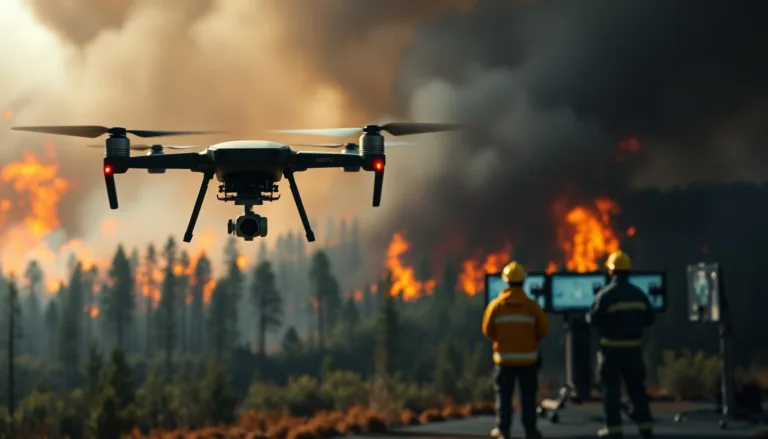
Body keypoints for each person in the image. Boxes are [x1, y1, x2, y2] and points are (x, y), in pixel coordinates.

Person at [589, 250, 655, 438]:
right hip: (633, 350)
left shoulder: (605, 295)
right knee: (637, 390)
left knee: (611, 391)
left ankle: (614, 430)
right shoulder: (639, 294)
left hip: (611, 352)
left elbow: (593, 319)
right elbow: (650, 319)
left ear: (611, 272)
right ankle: (645, 427)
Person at [482, 261, 550, 439]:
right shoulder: (532, 306)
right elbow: (543, 330)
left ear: (506, 282)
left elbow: (488, 330)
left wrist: (503, 341)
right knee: (528, 399)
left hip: (504, 361)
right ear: (523, 281)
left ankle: (503, 431)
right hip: (528, 361)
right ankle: (531, 431)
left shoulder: (496, 306)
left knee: (504, 399)